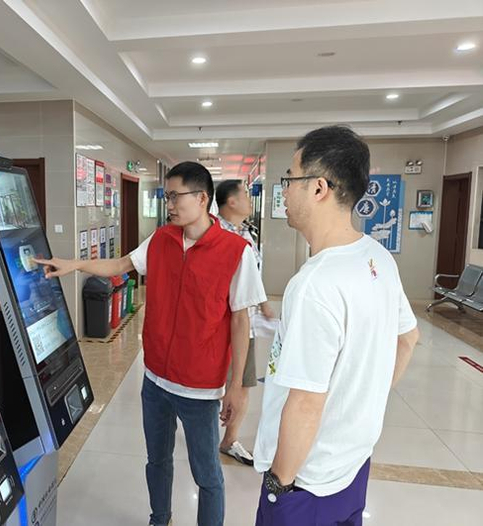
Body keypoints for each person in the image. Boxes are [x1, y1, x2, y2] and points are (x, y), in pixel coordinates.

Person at [35, 162, 258, 526]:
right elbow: (121, 265)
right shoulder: (161, 240)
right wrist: (74, 265)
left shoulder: (236, 251)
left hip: (200, 388)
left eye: (175, 197)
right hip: (155, 380)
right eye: (166, 196)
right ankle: (160, 518)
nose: (168, 205)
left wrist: (234, 385)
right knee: (157, 460)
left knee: (207, 475)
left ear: (202, 198)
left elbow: (240, 319)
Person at [253, 126, 419, 526]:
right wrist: (360, 406)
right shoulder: (378, 257)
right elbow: (409, 338)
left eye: (290, 179)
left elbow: (306, 403)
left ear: (318, 188)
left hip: (306, 482)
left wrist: (279, 484)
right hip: (354, 463)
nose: (284, 192)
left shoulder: (314, 283)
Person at [215, 179, 275, 466]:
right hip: (223, 323)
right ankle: (217, 437)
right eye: (246, 195)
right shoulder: (216, 234)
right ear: (231, 201)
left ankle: (229, 438)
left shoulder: (246, 232)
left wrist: (262, 304)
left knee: (241, 383)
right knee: (223, 384)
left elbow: (252, 277)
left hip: (245, 322)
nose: (251, 200)